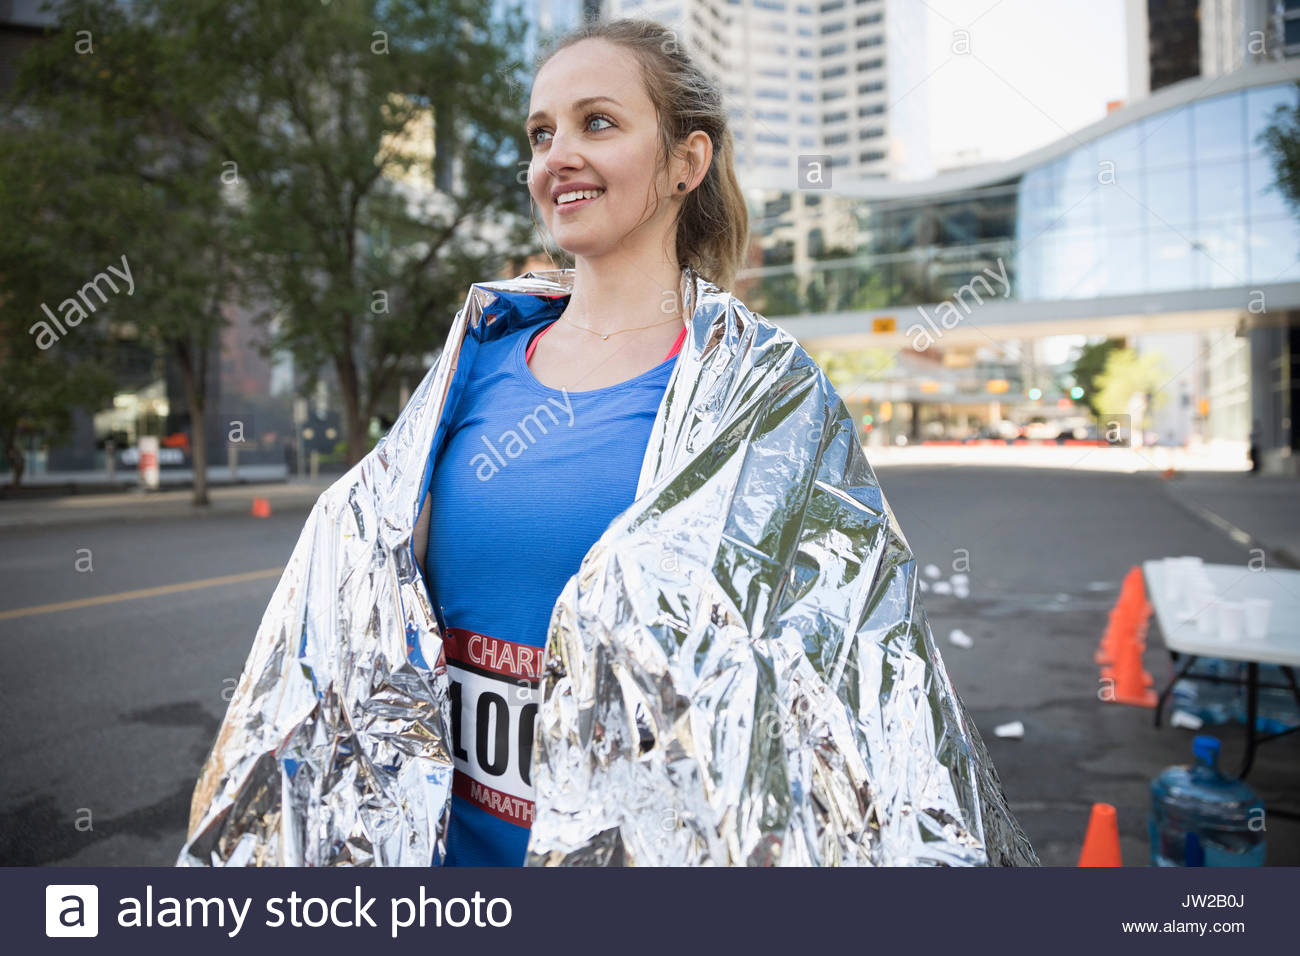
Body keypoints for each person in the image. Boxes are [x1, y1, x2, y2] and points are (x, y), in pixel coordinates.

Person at [178, 18, 1036, 868]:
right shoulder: (471, 366)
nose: (557, 156)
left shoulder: (763, 398)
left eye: (597, 123)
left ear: (685, 163)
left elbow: (846, 686)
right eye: (541, 134)